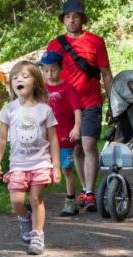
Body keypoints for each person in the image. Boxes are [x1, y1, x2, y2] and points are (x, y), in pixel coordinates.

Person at [46, 0, 113, 213]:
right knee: (75, 148)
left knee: (88, 144)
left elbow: (106, 73)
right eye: (68, 16)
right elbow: (46, 75)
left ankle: (90, 192)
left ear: (82, 19)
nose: (72, 19)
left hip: (91, 100)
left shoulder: (96, 42)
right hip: (64, 106)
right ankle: (85, 190)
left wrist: (114, 102)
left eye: (76, 16)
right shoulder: (55, 44)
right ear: (63, 19)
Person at [0, 61, 61, 255]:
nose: (18, 80)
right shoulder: (9, 109)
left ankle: (37, 235)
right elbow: (2, 138)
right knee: (16, 201)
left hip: (41, 162)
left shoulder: (44, 110)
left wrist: (56, 167)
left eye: (24, 76)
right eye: (15, 77)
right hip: (18, 165)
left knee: (37, 198)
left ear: (35, 82)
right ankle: (24, 218)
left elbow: (53, 140)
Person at [40, 51, 83, 216]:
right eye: (45, 70)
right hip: (45, 140)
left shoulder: (68, 88)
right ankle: (35, 201)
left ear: (60, 69)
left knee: (66, 170)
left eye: (53, 70)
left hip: (65, 138)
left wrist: (76, 127)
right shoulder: (41, 90)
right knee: (42, 170)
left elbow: (77, 110)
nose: (49, 74)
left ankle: (71, 201)